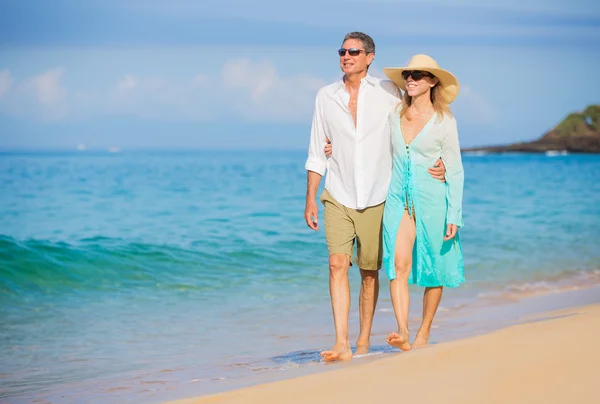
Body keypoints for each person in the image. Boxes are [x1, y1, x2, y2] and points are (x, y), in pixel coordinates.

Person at [304, 32, 446, 362]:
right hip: (337, 193)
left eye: (353, 51)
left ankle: (364, 341)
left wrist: (436, 159)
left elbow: (416, 121)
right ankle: (341, 343)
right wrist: (311, 197)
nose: (346, 56)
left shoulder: (387, 91)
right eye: (342, 51)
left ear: (370, 57)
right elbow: (316, 150)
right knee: (337, 264)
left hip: (379, 194)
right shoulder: (326, 96)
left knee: (369, 273)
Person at [381, 54, 465, 351]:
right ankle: (403, 330)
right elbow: (367, 143)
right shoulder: (393, 115)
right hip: (398, 200)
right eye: (407, 74)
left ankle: (424, 332)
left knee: (435, 268)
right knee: (397, 264)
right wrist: (332, 146)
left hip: (433, 202)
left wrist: (455, 212)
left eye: (418, 74)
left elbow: (454, 168)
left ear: (432, 81)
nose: (411, 79)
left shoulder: (444, 121)